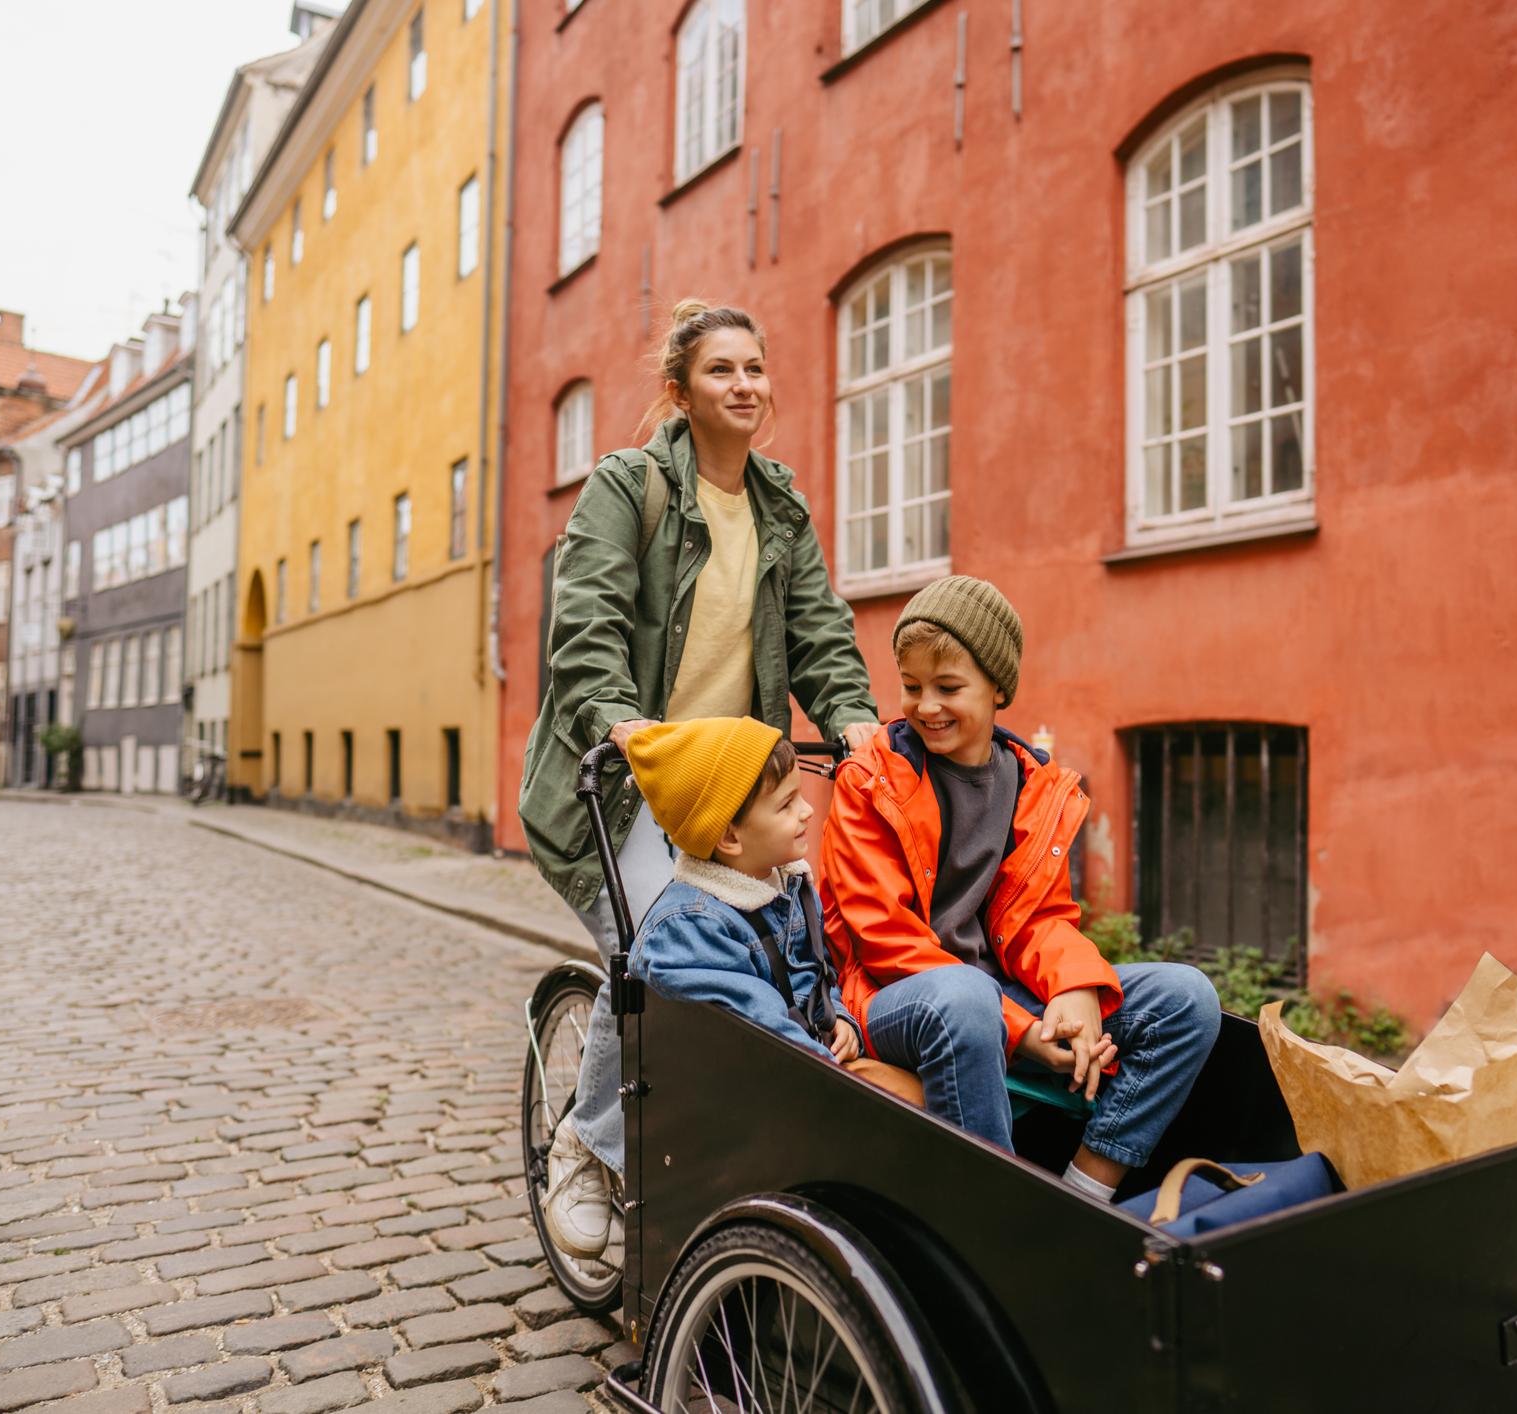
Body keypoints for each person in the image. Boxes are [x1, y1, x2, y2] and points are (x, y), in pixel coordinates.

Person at [519, 301, 880, 1258]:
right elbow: (586, 624)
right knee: (653, 958)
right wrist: (619, 719)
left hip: (729, 789)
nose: (745, 386)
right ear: (679, 393)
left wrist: (852, 716)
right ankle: (584, 1150)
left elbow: (819, 633)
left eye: (756, 368)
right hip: (627, 783)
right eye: (722, 370)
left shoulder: (780, 507)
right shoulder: (626, 488)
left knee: (770, 949)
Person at [820, 576, 1222, 1202]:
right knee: (966, 996)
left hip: (997, 993)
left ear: (999, 688)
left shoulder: (1033, 785)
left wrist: (1076, 988)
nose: (927, 706)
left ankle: (1086, 1195)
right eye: (911, 687)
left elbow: (1041, 919)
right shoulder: (868, 781)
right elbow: (883, 940)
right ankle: (1003, 1215)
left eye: (949, 688)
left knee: (1186, 998)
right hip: (896, 998)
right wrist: (1024, 1032)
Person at [626, 719, 859, 1062]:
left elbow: (814, 973)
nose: (808, 811)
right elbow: (761, 1027)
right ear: (731, 838)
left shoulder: (790, 885)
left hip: (798, 1067)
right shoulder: (692, 927)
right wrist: (834, 1076)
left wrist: (837, 1015)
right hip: (756, 1080)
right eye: (787, 804)